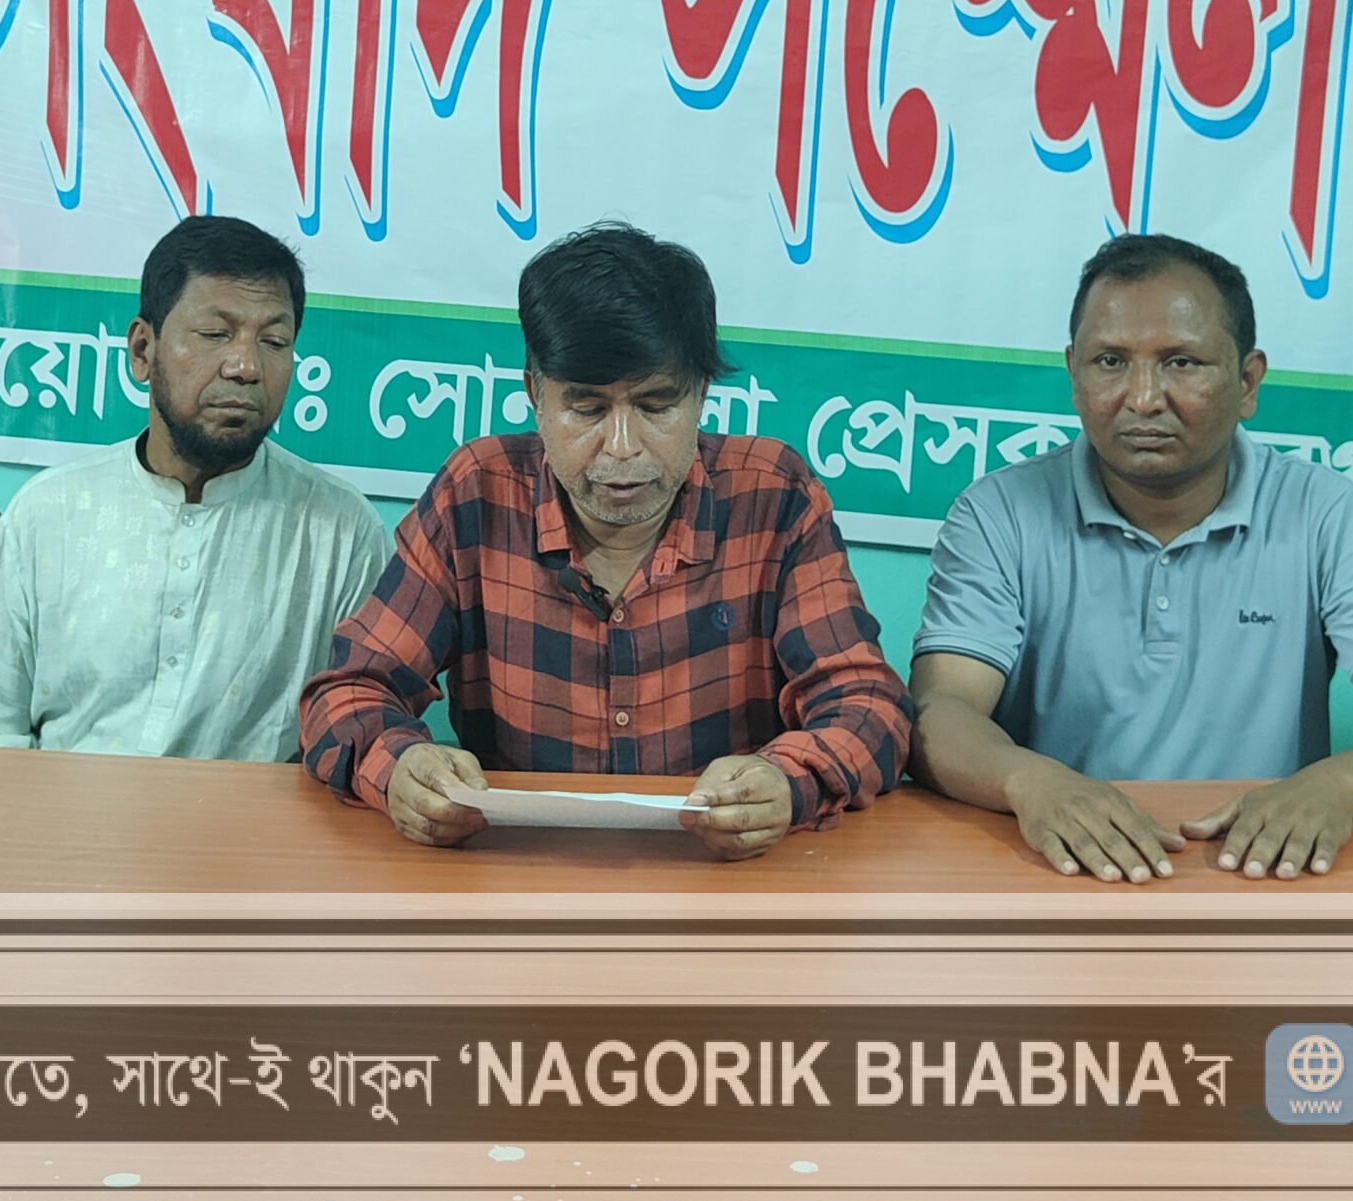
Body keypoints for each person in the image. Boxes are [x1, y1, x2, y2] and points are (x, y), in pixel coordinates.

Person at [299, 223, 912, 860]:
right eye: (588, 410)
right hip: (518, 872)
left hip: (720, 877)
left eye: (656, 406)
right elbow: (348, 693)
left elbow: (868, 705)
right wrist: (400, 766)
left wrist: (787, 782)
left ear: (701, 393)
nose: (622, 448)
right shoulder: (475, 494)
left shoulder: (773, 495)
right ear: (535, 395)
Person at [911, 233, 1353, 882]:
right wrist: (1031, 783)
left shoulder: (1324, 513)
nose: (1142, 398)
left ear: (1248, 382)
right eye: (1110, 361)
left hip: (1256, 873)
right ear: (1073, 374)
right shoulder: (999, 514)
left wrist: (1342, 784)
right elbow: (940, 713)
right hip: (1061, 870)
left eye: (1181, 363)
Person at [0, 216, 387, 759]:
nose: (246, 367)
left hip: (245, 817)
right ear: (143, 350)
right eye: (215, 334)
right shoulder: (47, 514)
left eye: (274, 341)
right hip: (60, 812)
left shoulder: (341, 533)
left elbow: (359, 732)